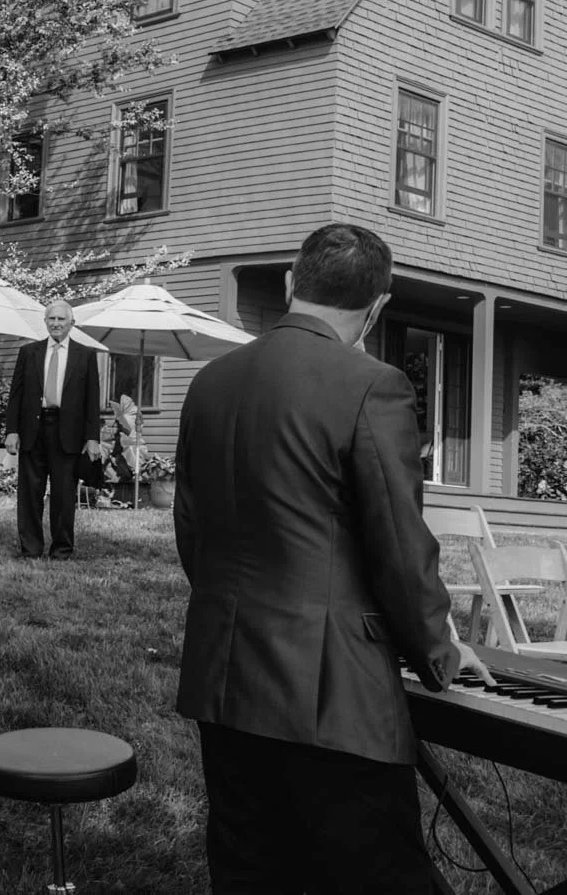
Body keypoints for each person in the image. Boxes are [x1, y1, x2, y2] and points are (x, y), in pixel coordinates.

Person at [175, 222, 491, 893]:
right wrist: (439, 649)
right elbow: (401, 550)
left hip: (225, 678)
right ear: (377, 307)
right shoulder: (373, 385)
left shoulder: (210, 383)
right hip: (331, 700)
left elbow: (192, 533)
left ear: (292, 284)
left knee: (252, 873)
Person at [4, 300, 102, 559]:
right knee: (29, 493)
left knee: (63, 494)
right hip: (32, 429)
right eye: (51, 319)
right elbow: (16, 395)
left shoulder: (86, 355)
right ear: (45, 322)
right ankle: (31, 548)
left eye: (61, 319)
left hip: (67, 432)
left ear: (72, 323)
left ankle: (61, 549)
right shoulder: (29, 353)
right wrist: (11, 430)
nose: (56, 323)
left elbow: (92, 400)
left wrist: (92, 437)